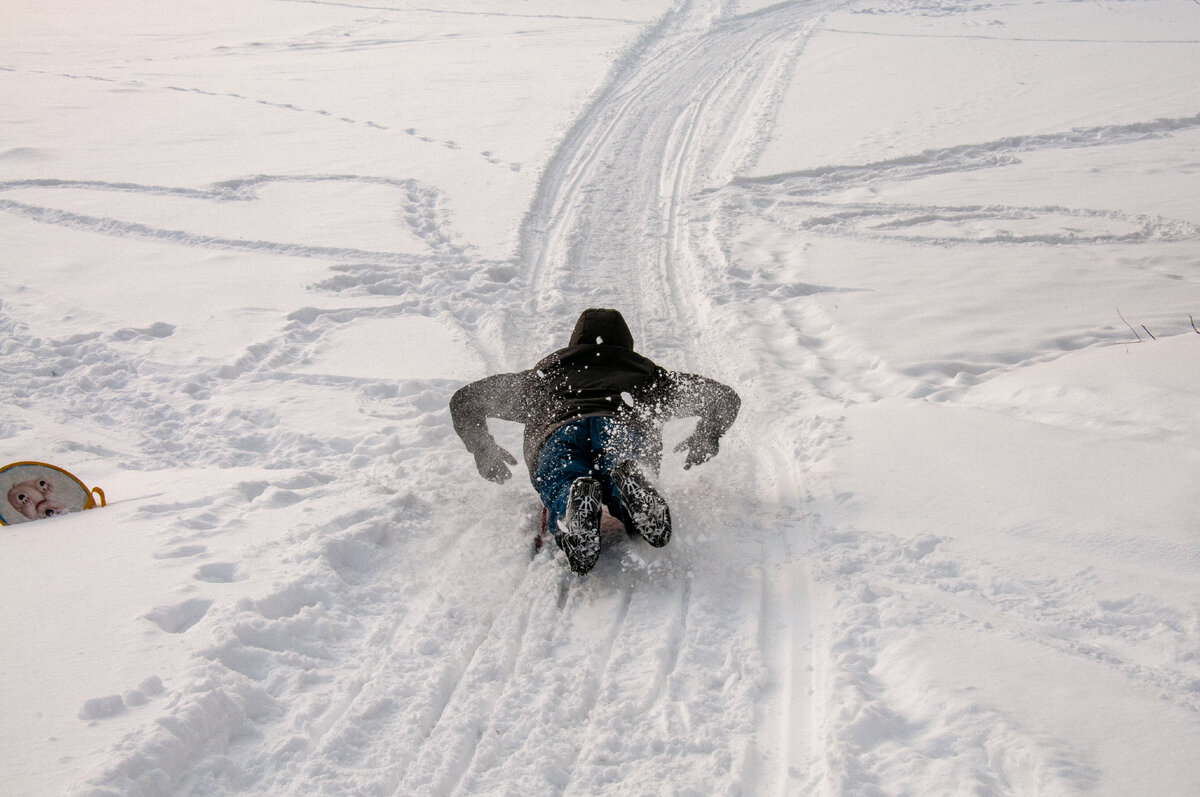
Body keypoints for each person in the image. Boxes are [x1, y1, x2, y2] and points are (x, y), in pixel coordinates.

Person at [450, 308, 740, 574]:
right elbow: (723, 398)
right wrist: (706, 436)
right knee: (622, 460)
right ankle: (633, 488)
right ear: (626, 346)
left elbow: (466, 400)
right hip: (621, 425)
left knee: (561, 474)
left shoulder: (544, 378)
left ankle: (572, 504)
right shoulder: (646, 377)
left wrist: (483, 449)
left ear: (575, 344)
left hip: (557, 431)